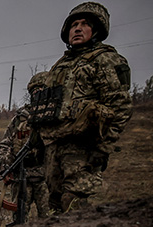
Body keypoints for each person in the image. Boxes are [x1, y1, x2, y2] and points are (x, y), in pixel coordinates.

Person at [31, 2, 132, 213]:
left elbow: (120, 106)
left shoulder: (105, 60)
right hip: (54, 145)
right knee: (55, 204)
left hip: (83, 145)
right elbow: (47, 108)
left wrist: (103, 148)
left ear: (96, 30)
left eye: (85, 24)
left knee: (73, 202)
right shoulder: (61, 65)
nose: (77, 29)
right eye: (74, 24)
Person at [0, 73, 51, 221]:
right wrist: (5, 167)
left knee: (49, 220)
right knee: (19, 220)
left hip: (45, 177)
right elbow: (5, 144)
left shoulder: (52, 117)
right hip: (21, 176)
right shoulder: (20, 119)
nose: (38, 94)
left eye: (42, 90)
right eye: (35, 91)